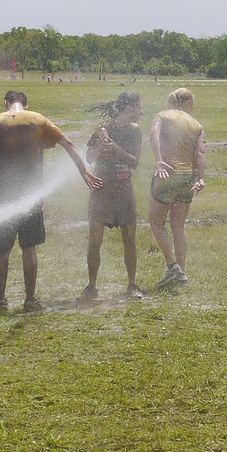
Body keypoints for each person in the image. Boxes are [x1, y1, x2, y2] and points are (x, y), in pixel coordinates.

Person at [0, 90, 102, 312]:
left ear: (6, 103)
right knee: (29, 248)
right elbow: (68, 143)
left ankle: (0, 299)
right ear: (25, 105)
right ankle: (30, 300)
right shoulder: (38, 120)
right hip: (31, 196)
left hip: (3, 194)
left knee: (3, 250)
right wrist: (84, 171)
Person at [79, 92, 144, 301]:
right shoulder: (104, 128)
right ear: (129, 109)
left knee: (129, 238)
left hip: (124, 188)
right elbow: (88, 157)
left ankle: (132, 285)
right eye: (139, 108)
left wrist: (115, 148)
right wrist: (101, 145)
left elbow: (134, 161)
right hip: (101, 188)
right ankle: (92, 285)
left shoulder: (135, 131)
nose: (142, 112)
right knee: (95, 239)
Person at [148, 88, 206, 289]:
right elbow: (200, 154)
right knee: (179, 227)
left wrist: (159, 161)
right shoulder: (197, 125)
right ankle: (181, 272)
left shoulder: (162, 116)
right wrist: (201, 178)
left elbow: (153, 135)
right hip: (187, 179)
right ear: (188, 102)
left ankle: (173, 267)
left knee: (156, 223)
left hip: (167, 175)